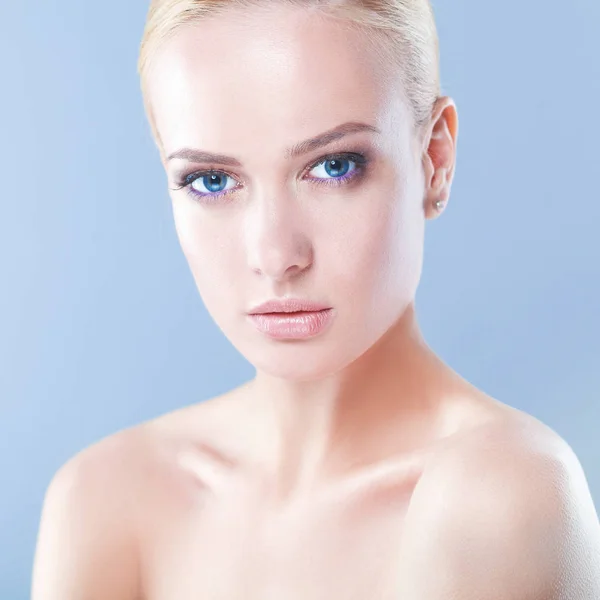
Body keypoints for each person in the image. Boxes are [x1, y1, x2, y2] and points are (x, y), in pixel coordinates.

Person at [31, 1, 600, 598]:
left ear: (435, 158)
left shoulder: (499, 497)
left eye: (333, 166)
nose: (276, 255)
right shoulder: (101, 499)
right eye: (212, 181)